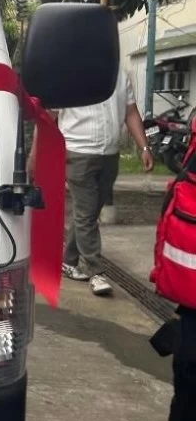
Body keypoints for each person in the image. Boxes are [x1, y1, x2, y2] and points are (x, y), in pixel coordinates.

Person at [56, 71, 153, 296]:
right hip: (78, 154)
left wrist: (144, 147)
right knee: (87, 213)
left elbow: (130, 112)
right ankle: (96, 271)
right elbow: (48, 115)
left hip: (110, 155)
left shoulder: (119, 75)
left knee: (87, 213)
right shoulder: (67, 75)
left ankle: (68, 261)